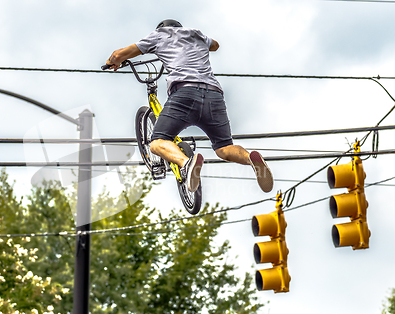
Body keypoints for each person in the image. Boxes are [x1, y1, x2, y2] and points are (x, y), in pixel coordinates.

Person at [105, 19, 273, 193]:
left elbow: (118, 55)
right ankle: (251, 159)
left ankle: (186, 163)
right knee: (224, 148)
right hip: (214, 95)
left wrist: (112, 62)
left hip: (185, 94)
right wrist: (197, 44)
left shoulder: (160, 35)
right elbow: (215, 45)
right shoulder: (196, 34)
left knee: (157, 143)